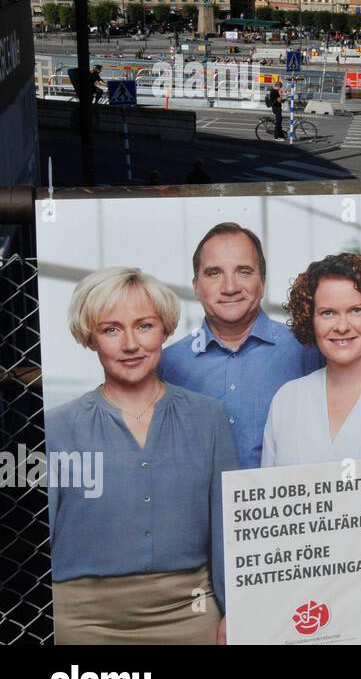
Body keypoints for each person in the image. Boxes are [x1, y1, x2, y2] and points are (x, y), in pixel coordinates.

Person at [47, 267, 237, 644]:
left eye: (144, 326)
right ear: (90, 339)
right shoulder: (56, 427)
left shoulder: (207, 416)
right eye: (111, 329)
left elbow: (228, 528)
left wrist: (235, 608)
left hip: (190, 611)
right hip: (82, 619)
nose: (130, 344)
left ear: (165, 330)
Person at [261, 252, 361, 644]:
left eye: (356, 310)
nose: (342, 326)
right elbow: (269, 514)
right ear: (310, 320)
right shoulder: (287, 400)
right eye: (327, 313)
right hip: (304, 585)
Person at [159, 222, 323, 469]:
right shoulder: (166, 365)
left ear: (263, 283)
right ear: (196, 286)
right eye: (214, 273)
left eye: (244, 271)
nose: (230, 287)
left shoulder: (308, 350)